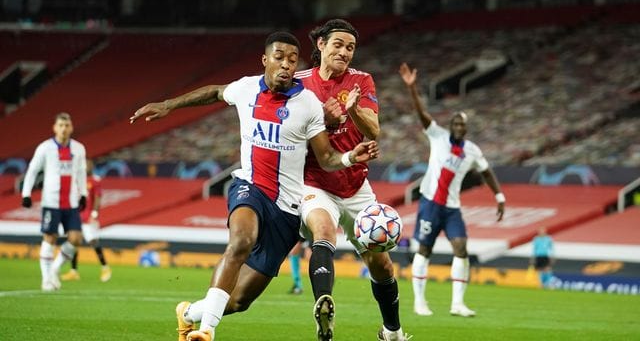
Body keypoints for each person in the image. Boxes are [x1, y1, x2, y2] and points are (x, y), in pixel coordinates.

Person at [129, 31, 379, 341]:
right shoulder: (246, 89)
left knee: (239, 301)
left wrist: (350, 157)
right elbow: (214, 92)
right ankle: (206, 332)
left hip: (286, 209)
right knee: (241, 241)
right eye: (279, 57)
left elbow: (326, 158)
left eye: (291, 60)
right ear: (265, 60)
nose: (286, 65)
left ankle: (190, 313)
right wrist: (169, 104)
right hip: (250, 188)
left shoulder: (309, 105)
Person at [295, 19, 410, 341]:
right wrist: (324, 120)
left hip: (356, 186)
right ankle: (323, 302)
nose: (344, 52)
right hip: (314, 181)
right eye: (338, 45)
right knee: (323, 230)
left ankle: (392, 331)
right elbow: (288, 137)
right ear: (321, 45)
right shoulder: (299, 84)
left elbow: (373, 129)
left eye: (350, 47)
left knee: (382, 266)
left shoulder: (361, 80)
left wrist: (355, 107)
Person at [398, 62, 505, 317]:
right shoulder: (437, 136)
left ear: (465, 129)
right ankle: (419, 302)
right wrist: (412, 89)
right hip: (430, 203)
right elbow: (421, 114)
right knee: (424, 250)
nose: (458, 126)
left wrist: (499, 196)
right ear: (451, 124)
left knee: (461, 248)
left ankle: (457, 304)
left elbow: (487, 171)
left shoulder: (471, 150)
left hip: (452, 208)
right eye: (455, 122)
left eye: (461, 124)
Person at [21, 112, 88, 291]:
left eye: (67, 125)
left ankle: (53, 271)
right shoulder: (45, 148)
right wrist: (26, 193)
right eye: (60, 125)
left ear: (71, 127)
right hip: (51, 201)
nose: (64, 129)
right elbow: (32, 170)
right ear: (55, 128)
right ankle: (46, 279)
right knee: (50, 238)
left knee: (76, 238)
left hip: (71, 201)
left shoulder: (79, 148)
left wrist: (84, 194)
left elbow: (81, 173)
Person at [61, 159, 112, 282]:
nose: (86, 168)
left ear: (92, 167)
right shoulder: (77, 180)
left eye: (88, 165)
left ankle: (105, 268)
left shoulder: (95, 180)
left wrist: (94, 213)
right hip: (76, 217)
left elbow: (97, 197)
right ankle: (74, 271)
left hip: (88, 217)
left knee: (93, 241)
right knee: (73, 243)